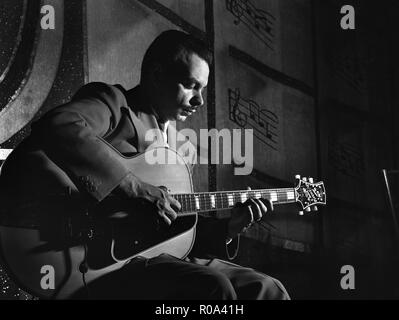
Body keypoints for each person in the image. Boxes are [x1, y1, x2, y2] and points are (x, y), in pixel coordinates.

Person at [0, 30, 290, 300]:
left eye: (202, 89)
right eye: (190, 85)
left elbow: (175, 231)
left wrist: (229, 227)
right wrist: (135, 188)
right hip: (96, 258)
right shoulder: (115, 104)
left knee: (267, 290)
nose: (199, 100)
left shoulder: (177, 148)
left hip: (156, 256)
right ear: (156, 75)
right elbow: (59, 125)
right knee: (213, 288)